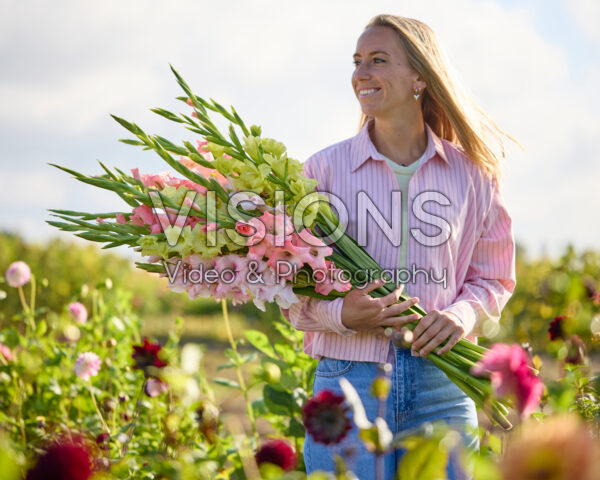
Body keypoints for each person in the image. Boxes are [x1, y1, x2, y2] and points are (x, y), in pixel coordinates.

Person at [281, 14, 517, 480]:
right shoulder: (321, 173)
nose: (361, 74)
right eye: (357, 62)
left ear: (420, 78)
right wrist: (343, 314)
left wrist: (459, 316)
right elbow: (287, 288)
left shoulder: (473, 175)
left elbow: (494, 278)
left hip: (443, 382)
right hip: (348, 380)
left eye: (378, 60)